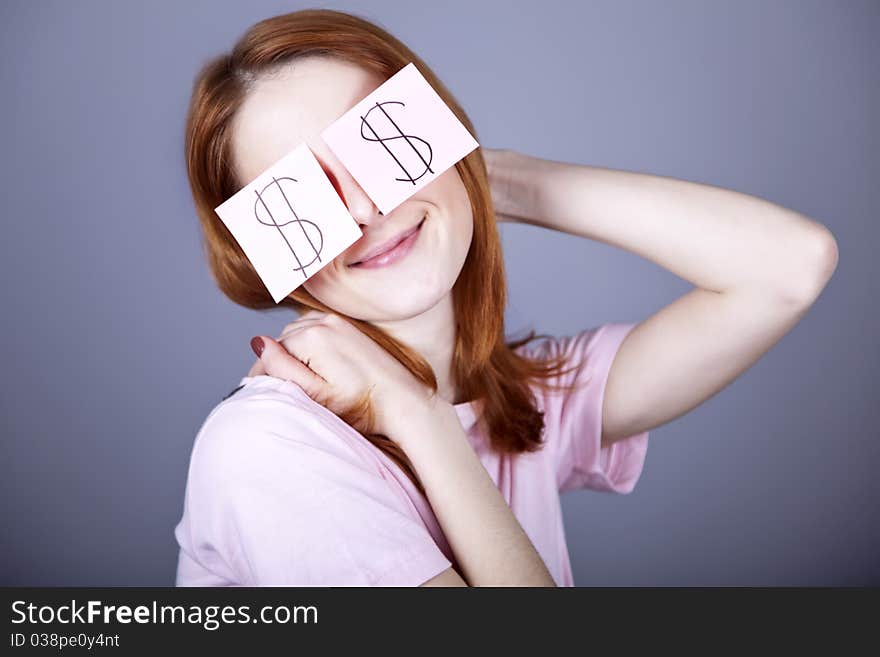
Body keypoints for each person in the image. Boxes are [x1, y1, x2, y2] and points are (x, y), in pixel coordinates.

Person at [173, 9, 838, 587]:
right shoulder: (267, 447)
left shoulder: (525, 399)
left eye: (380, 141)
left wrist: (496, 181)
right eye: (297, 196)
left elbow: (790, 265)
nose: (366, 207)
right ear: (261, 252)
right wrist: (420, 418)